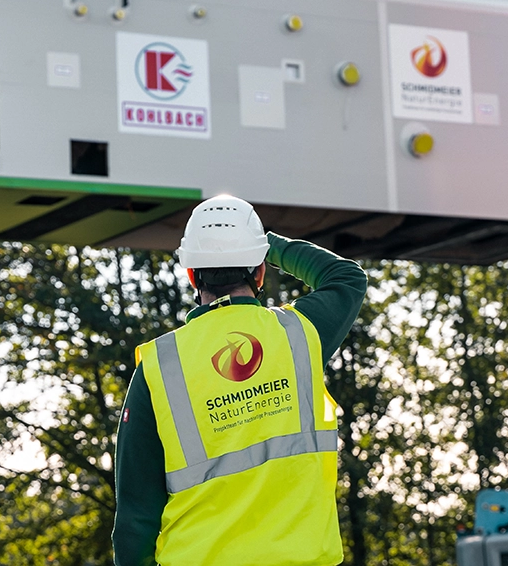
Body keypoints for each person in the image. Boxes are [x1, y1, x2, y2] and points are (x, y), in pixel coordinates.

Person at [112, 195, 368, 566]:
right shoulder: (299, 333)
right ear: (260, 271)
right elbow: (346, 277)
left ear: (191, 275)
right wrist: (268, 243)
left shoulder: (159, 366)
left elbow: (135, 516)